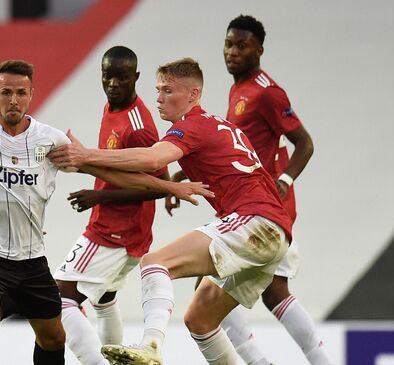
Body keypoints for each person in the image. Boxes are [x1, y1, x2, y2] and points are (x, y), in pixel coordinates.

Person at [0, 59, 211, 364]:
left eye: (20, 92)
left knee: (54, 338)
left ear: (30, 95)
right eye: (6, 92)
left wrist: (171, 187)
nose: (13, 100)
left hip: (31, 260)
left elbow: (107, 173)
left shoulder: (50, 140)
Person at [49, 57, 293, 365]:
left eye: (168, 91)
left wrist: (87, 153)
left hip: (252, 221)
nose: (159, 98)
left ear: (193, 95)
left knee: (154, 263)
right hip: (274, 233)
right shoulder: (218, 125)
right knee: (200, 320)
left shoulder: (192, 126)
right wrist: (85, 163)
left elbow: (152, 160)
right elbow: (154, 176)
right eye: (157, 90)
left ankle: (151, 344)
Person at [166, 15, 331, 365]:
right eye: (229, 44)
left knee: (255, 292)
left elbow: (304, 143)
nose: (233, 51)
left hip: (267, 207)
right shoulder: (238, 88)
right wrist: (181, 173)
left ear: (259, 49)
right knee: (250, 292)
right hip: (249, 207)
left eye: (242, 45)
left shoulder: (266, 92)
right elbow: (235, 151)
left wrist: (284, 181)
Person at [54, 46, 169, 365]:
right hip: (126, 232)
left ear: (136, 77)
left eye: (121, 77)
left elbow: (157, 184)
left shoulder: (139, 124)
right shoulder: (112, 107)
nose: (113, 83)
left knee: (60, 299)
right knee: (104, 298)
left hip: (114, 231)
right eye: (107, 76)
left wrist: (99, 196)